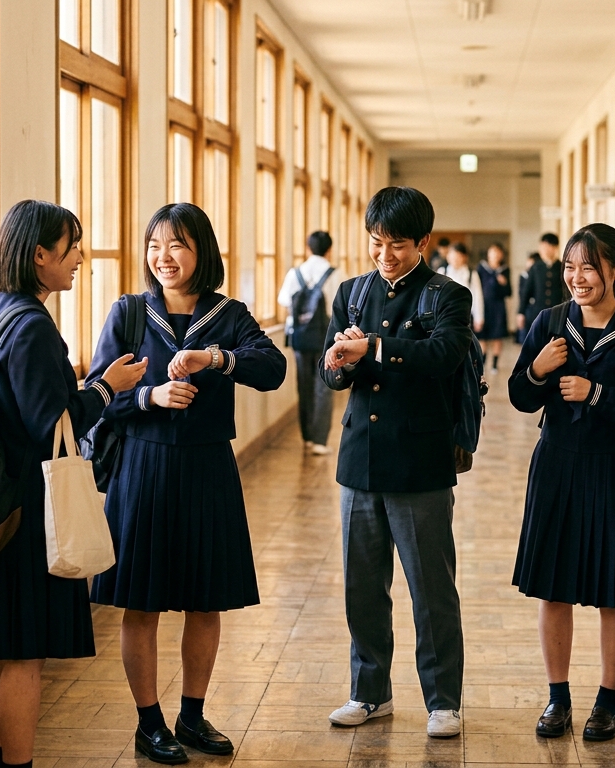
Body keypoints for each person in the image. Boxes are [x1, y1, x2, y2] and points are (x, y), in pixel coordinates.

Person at [88, 203, 287, 764]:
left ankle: (192, 717)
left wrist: (216, 358)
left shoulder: (228, 314)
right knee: (141, 603)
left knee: (205, 600)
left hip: (207, 468)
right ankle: (149, 723)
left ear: (202, 252)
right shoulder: (129, 312)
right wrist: (148, 396)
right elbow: (96, 392)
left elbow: (272, 368)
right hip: (142, 469)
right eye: (155, 245)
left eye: (177, 244)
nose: (164, 257)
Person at [0, 200, 148, 768]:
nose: (79, 258)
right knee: (24, 655)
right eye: (71, 248)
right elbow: (54, 424)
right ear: (40, 255)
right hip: (29, 513)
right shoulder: (34, 327)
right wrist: (106, 387)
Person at [319, 186, 471, 739]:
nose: (384, 255)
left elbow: (445, 354)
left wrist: (376, 348)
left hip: (420, 464)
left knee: (431, 589)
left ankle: (443, 701)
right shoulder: (352, 293)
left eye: (398, 245)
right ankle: (369, 692)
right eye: (376, 242)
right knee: (362, 587)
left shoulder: (447, 295)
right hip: (359, 461)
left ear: (423, 242)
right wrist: (339, 362)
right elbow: (331, 373)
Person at [508, 223, 615, 742]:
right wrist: (537, 370)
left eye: (588, 267)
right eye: (570, 267)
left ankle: (608, 701)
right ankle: (558, 698)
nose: (577, 278)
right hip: (557, 464)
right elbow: (519, 396)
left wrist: (597, 394)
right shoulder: (550, 321)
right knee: (554, 589)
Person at [278, 230, 343, 455]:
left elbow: (284, 300)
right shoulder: (335, 274)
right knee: (324, 386)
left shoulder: (295, 273)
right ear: (329, 250)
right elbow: (340, 307)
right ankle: (319, 441)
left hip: (300, 337)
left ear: (308, 248)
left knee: (303, 386)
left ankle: (306, 437)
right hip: (326, 338)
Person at [518, 233, 568, 340]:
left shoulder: (562, 267)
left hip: (558, 313)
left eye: (546, 246)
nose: (543, 250)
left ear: (554, 247)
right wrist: (521, 312)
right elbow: (526, 292)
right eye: (542, 246)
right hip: (537, 313)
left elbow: (567, 292)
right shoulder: (536, 267)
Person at [477, 243, 512, 373]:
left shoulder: (505, 270)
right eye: (492, 252)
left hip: (498, 307)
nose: (495, 255)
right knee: (482, 336)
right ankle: (483, 362)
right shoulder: (481, 268)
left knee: (497, 335)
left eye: (498, 252)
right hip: (484, 305)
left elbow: (509, 292)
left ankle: (495, 364)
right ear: (488, 254)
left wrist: (504, 283)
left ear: (502, 254)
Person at [438, 242, 485, 336]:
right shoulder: (442, 272)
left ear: (464, 257)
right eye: (452, 255)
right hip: (445, 315)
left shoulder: (471, 274)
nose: (455, 259)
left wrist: (479, 317)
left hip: (465, 315)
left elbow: (477, 296)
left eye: (458, 256)